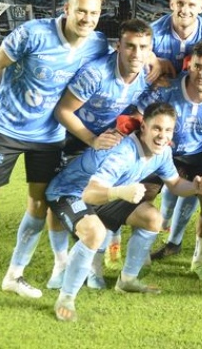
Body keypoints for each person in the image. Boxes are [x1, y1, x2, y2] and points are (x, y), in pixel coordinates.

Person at [0, 0, 109, 313]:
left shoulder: (98, 44)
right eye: (81, 11)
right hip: (5, 128)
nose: (87, 19)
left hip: (48, 137)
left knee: (38, 204)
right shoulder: (33, 33)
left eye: (93, 13)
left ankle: (14, 275)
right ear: (67, 9)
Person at [46, 103, 202, 322]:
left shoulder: (163, 152)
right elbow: (90, 194)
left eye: (168, 130)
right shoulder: (122, 152)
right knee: (95, 232)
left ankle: (127, 280)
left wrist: (195, 187)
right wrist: (120, 191)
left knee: (153, 219)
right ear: (143, 127)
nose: (162, 136)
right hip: (70, 192)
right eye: (156, 128)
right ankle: (66, 298)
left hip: (109, 193)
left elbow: (174, 184)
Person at [48, 18, 154, 289]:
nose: (136, 53)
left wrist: (123, 129)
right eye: (130, 46)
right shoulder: (96, 73)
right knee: (56, 196)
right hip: (69, 138)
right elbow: (63, 111)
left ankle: (93, 263)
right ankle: (60, 264)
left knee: (99, 194)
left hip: (103, 141)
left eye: (143, 47)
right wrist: (92, 139)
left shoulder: (147, 74)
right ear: (118, 46)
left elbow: (136, 109)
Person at [134, 40, 202, 280]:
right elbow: (138, 116)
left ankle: (199, 261)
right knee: (142, 197)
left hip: (199, 156)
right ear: (189, 64)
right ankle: (139, 257)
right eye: (198, 66)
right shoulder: (167, 89)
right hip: (162, 152)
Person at [149, 0, 202, 264]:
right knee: (151, 190)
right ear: (171, 3)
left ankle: (182, 245)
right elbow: (131, 49)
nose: (184, 9)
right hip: (162, 119)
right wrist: (152, 59)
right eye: (180, 3)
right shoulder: (155, 33)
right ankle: (123, 242)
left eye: (192, 4)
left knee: (200, 190)